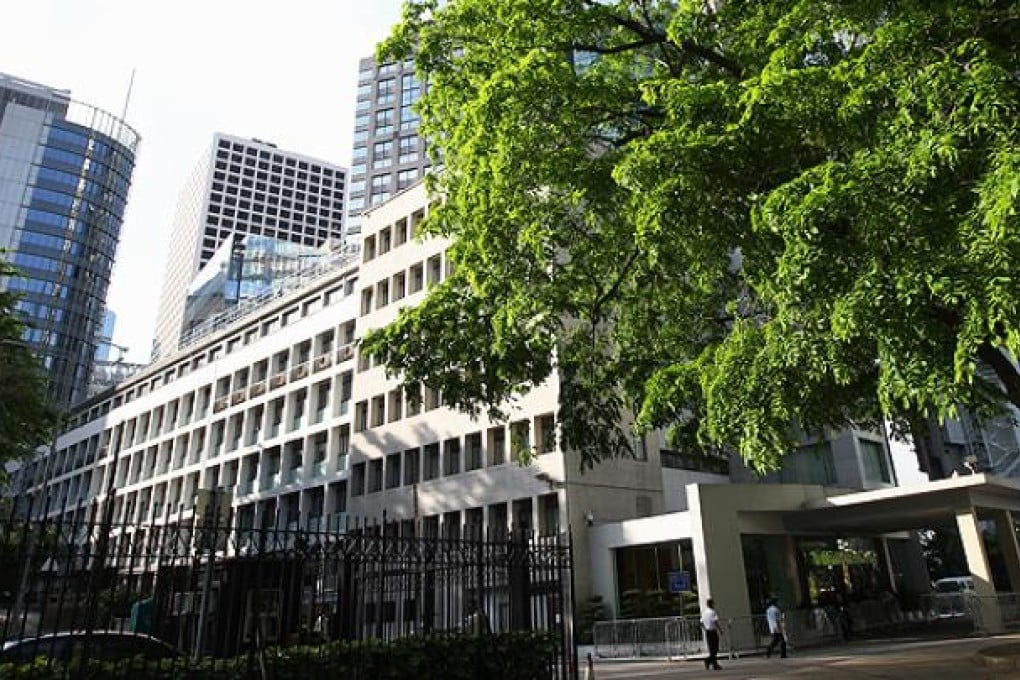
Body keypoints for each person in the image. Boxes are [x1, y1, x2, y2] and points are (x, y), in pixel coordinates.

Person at [700, 597, 723, 670]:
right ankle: (710, 661)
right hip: (713, 631)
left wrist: (705, 628)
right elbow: (715, 621)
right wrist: (720, 630)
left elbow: (701, 622)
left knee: (711, 648)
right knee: (715, 648)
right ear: (711, 604)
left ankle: (712, 663)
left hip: (708, 631)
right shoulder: (712, 612)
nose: (714, 605)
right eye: (713, 603)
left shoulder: (704, 612)